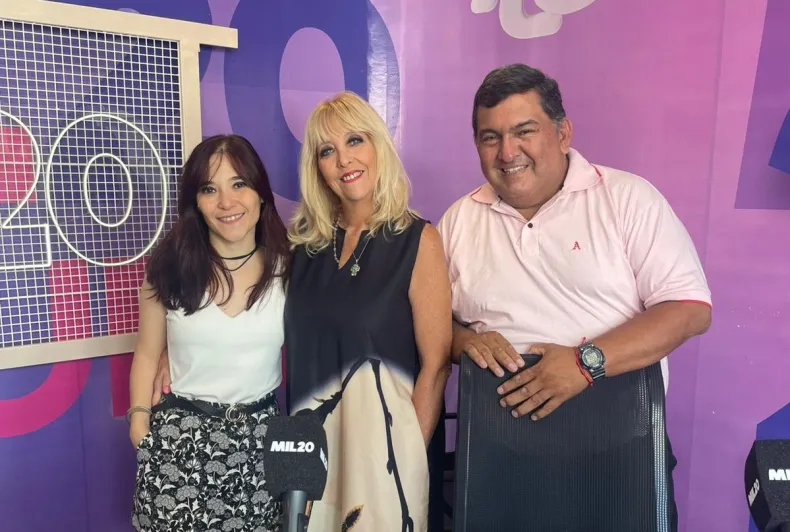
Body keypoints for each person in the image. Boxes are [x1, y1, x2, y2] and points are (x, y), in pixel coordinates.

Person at [437, 64, 712, 530]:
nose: (507, 152)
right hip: (499, 454)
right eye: (490, 137)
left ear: (563, 133)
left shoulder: (627, 198)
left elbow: (688, 309)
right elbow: (430, 325)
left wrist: (586, 363)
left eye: (524, 131)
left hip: (619, 447)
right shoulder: (459, 221)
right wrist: (464, 342)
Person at [284, 91, 452, 531]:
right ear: (317, 168)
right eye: (327, 151)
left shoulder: (418, 241)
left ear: (378, 145)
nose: (344, 159)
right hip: (308, 460)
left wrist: (405, 456)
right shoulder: (301, 248)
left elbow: (435, 365)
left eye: (354, 140)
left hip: (383, 465)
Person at [127, 134, 290, 532]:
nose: (226, 202)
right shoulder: (170, 268)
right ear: (195, 203)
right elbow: (147, 352)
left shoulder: (290, 269)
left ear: (260, 193)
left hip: (259, 446)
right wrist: (139, 423)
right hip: (178, 444)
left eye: (239, 184)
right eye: (209, 189)